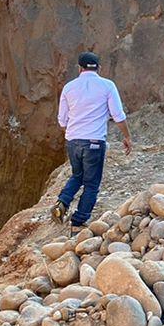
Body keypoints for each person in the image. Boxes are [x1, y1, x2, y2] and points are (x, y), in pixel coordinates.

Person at [53, 52, 132, 228]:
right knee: (91, 184)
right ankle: (78, 221)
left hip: (73, 141)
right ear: (99, 68)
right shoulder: (107, 86)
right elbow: (118, 115)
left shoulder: (69, 87)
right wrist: (127, 136)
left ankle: (63, 202)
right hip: (94, 142)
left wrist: (74, 132)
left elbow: (62, 120)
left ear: (79, 68)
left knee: (78, 175)